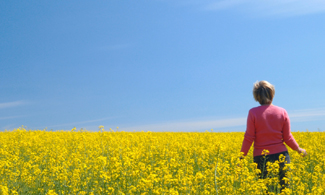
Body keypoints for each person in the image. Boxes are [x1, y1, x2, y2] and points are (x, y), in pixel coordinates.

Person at [240, 80, 307, 191]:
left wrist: (241, 157)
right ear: (272, 94)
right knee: (284, 189)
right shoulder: (282, 112)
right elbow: (287, 137)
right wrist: (298, 149)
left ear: (256, 96)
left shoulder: (253, 113)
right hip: (281, 156)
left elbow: (249, 137)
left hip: (261, 158)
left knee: (266, 190)